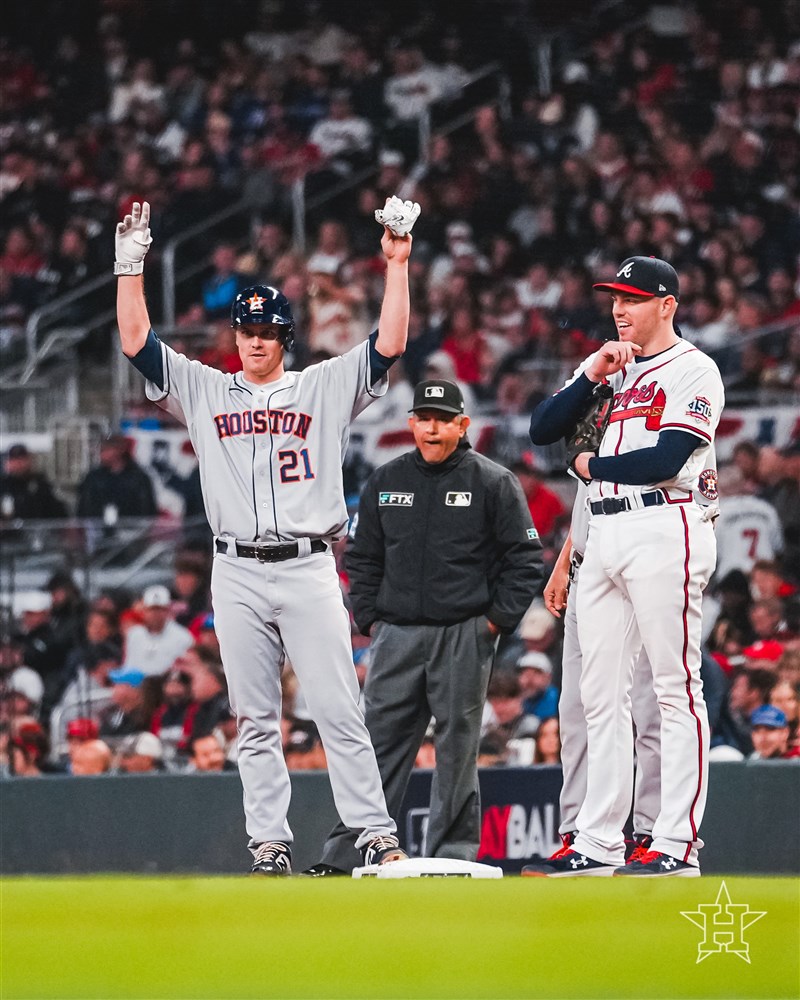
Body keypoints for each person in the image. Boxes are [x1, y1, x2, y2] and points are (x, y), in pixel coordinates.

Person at [114, 198, 416, 875]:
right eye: (245, 329)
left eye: (266, 329)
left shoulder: (323, 385)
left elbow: (390, 342)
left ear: (285, 336)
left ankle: (374, 830)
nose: (253, 339)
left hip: (308, 565)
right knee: (253, 718)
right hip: (237, 570)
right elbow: (136, 342)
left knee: (339, 708)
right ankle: (270, 846)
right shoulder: (204, 389)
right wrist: (127, 267)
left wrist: (397, 264)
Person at [528, 256, 723, 877]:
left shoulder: (696, 369)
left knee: (673, 687)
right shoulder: (614, 370)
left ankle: (675, 842)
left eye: (634, 298)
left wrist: (589, 469)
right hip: (603, 530)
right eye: (615, 297)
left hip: (665, 522)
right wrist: (590, 373)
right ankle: (598, 839)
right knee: (597, 695)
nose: (619, 308)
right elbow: (542, 429)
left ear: (667, 305)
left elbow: (666, 459)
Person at [306, 378, 543, 875]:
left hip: (464, 631)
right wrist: (369, 617)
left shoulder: (494, 481)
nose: (432, 428)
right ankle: (350, 853)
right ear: (411, 422)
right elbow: (363, 556)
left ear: (463, 425)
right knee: (375, 747)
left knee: (458, 745)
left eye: (443, 419)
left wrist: (494, 622)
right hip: (396, 634)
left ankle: (450, 856)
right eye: (424, 418)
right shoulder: (386, 480)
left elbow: (524, 560)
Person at [522, 485, 663, 873]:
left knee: (648, 711)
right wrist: (566, 560)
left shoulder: (645, 424)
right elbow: (592, 494)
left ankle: (650, 834)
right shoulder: (596, 427)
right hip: (587, 563)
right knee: (577, 709)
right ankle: (579, 834)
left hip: (641, 559)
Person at [76, 433, 157, 521]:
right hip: (97, 528)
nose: (101, 454)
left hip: (131, 529)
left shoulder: (139, 478)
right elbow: (84, 505)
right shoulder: (93, 477)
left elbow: (147, 508)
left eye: (106, 450)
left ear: (119, 450)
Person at [123, 584, 193, 677]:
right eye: (151, 609)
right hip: (137, 685)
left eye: (160, 609)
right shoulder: (134, 634)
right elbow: (129, 666)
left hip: (166, 685)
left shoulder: (183, 636)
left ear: (168, 610)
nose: (155, 614)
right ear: (144, 610)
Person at [0, 443, 68, 523]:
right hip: (8, 533)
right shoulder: (3, 485)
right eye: (14, 460)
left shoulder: (40, 484)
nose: (18, 464)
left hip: (37, 531)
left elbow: (59, 511)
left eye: (21, 460)